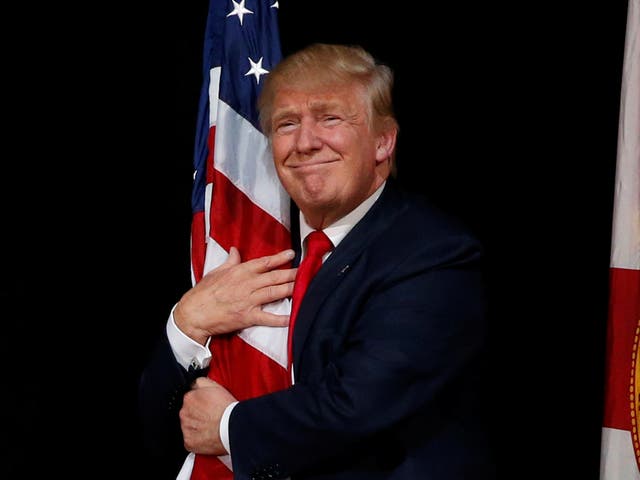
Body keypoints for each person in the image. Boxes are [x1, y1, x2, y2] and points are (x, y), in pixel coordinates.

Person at [139, 42, 495, 480]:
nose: (305, 143)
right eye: (287, 123)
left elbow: (356, 405)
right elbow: (158, 429)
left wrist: (227, 426)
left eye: (330, 118)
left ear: (383, 141)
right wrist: (186, 324)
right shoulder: (254, 244)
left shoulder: (433, 253)